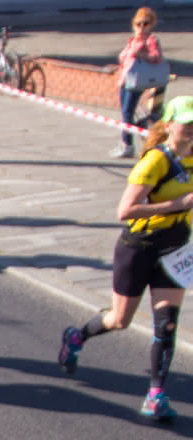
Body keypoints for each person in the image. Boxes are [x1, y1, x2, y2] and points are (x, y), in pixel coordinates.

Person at [57, 96, 193, 422]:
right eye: (187, 124)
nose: (192, 131)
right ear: (170, 125)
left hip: (174, 248)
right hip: (139, 247)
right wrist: (177, 205)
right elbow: (125, 211)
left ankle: (156, 395)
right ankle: (77, 336)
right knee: (120, 320)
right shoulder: (154, 162)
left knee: (167, 323)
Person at [114, 7, 168, 158]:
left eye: (146, 23)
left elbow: (157, 57)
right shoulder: (133, 40)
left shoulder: (151, 39)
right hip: (125, 80)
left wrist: (141, 54)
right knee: (126, 113)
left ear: (152, 24)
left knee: (127, 112)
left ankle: (127, 144)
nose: (142, 27)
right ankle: (136, 132)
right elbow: (122, 58)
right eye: (139, 23)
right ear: (133, 24)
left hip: (137, 81)